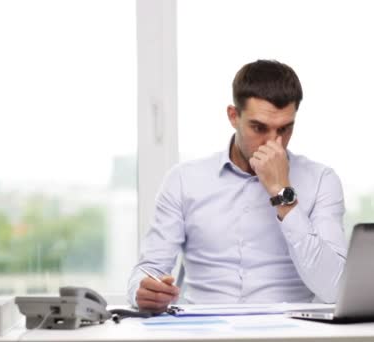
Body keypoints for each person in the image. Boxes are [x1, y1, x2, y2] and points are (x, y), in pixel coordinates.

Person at [127, 59, 347, 313]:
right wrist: (142, 291)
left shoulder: (321, 181)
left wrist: (282, 193)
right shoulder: (183, 180)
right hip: (203, 331)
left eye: (284, 129)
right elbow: (150, 268)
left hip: (289, 330)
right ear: (233, 116)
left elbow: (334, 289)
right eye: (259, 128)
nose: (273, 142)